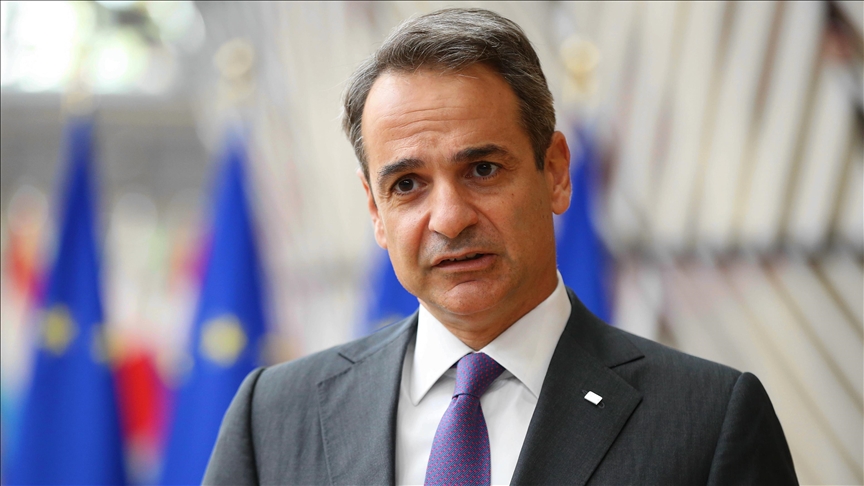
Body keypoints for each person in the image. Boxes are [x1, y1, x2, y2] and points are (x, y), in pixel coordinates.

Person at [204, 8, 797, 485]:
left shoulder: (708, 421)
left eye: (482, 169)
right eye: (407, 184)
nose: (449, 218)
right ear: (375, 211)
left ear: (555, 172)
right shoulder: (273, 417)